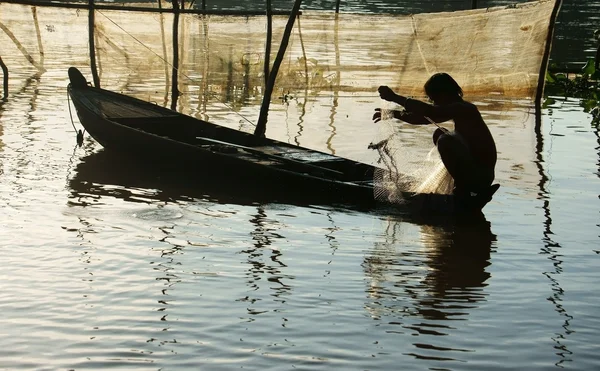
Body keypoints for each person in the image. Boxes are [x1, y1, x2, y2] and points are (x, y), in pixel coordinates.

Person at [372, 72, 497, 197]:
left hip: (480, 177)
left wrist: (394, 97)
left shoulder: (465, 108)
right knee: (440, 133)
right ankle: (461, 187)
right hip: (475, 171)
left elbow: (429, 111)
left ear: (444, 94)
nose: (431, 101)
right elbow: (422, 118)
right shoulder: (455, 110)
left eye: (433, 97)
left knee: (445, 140)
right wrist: (393, 114)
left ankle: (463, 190)